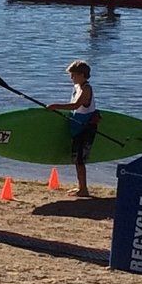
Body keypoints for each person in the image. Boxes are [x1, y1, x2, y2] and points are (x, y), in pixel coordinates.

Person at [50, 60, 102, 200]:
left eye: (73, 75)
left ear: (82, 75)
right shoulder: (77, 86)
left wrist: (56, 106)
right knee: (76, 159)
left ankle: (83, 189)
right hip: (78, 126)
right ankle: (81, 187)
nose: (71, 78)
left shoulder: (86, 89)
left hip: (86, 128)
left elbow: (75, 105)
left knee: (79, 160)